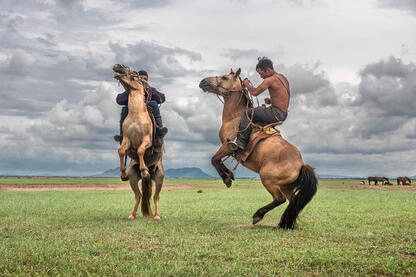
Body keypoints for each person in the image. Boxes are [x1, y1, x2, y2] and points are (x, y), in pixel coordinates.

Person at [227, 57, 290, 151]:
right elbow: (286, 95)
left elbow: (255, 92)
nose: (261, 76)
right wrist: (272, 101)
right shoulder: (283, 77)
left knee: (246, 113)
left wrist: (247, 84)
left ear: (268, 70)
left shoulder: (270, 80)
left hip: (275, 113)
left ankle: (241, 142)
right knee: (260, 110)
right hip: (283, 113)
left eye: (261, 73)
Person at [114, 70, 168, 145]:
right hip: (134, 110)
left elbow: (162, 98)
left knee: (153, 103)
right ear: (137, 79)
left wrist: (149, 90)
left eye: (145, 79)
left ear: (147, 80)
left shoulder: (151, 89)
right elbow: (118, 100)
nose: (143, 80)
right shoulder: (130, 90)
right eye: (141, 78)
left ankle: (159, 130)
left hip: (147, 108)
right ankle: (122, 134)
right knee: (125, 109)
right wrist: (130, 93)